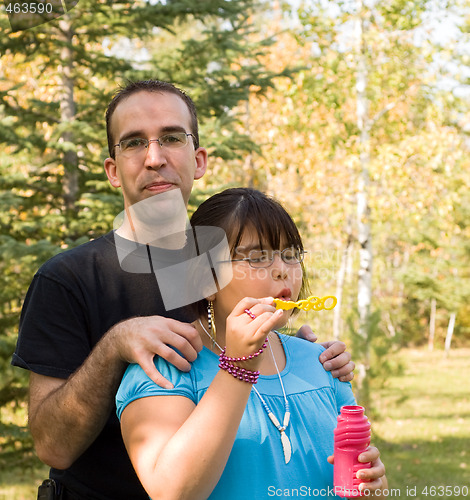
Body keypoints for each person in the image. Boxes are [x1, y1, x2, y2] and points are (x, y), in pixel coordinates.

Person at [12, 80, 355, 500]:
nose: (155, 158)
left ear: (198, 160)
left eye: (171, 138)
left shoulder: (232, 255)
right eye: (135, 143)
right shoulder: (68, 279)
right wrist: (114, 346)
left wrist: (295, 355)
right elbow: (53, 447)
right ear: (113, 170)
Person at [116, 188, 387, 499]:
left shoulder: (323, 362)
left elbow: (356, 478)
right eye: (257, 257)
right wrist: (238, 366)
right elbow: (173, 492)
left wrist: (374, 487)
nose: (282, 269)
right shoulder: (166, 368)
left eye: (290, 254)